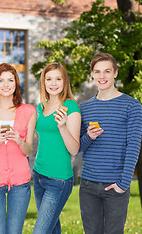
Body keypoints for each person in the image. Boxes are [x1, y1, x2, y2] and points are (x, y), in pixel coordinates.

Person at [79, 53, 142, 234]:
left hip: (115, 186)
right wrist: (89, 137)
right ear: (92, 74)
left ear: (115, 73)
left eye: (107, 71)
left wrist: (123, 184)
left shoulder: (132, 106)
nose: (102, 76)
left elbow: (133, 146)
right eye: (97, 72)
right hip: (88, 186)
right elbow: (77, 149)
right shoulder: (84, 108)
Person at [0, 63, 36, 234]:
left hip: (20, 182)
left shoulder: (29, 111)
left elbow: (28, 150)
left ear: (16, 83)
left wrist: (19, 140)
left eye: (10, 80)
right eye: (1, 80)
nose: (6, 85)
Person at [33, 63, 81, 234]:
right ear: (43, 82)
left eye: (58, 79)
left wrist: (62, 126)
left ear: (64, 81)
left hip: (58, 180)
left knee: (40, 231)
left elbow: (74, 149)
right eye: (49, 79)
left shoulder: (70, 107)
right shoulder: (40, 107)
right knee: (52, 229)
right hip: (38, 175)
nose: (53, 83)